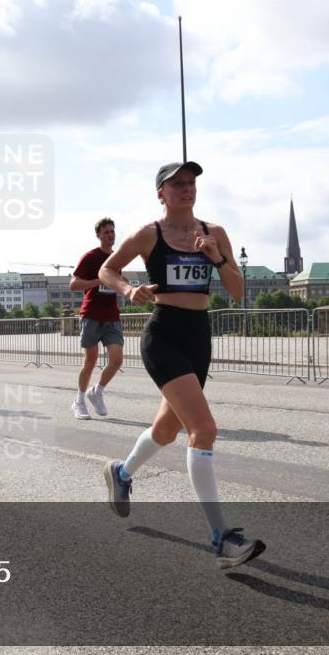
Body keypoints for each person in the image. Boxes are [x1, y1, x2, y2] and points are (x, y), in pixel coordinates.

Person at [98, 161, 265, 569]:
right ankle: (222, 537)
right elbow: (108, 269)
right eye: (177, 185)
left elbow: (238, 289)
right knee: (203, 429)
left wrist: (216, 258)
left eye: (191, 183)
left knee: (166, 429)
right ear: (161, 193)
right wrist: (128, 288)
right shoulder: (148, 234)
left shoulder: (214, 233)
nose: (187, 189)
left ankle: (121, 473)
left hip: (199, 336)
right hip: (164, 335)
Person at [69, 217, 123, 419]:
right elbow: (74, 285)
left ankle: (97, 392)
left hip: (112, 316)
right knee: (90, 361)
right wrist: (98, 280)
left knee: (117, 360)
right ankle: (79, 400)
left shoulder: (117, 258)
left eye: (112, 231)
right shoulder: (90, 257)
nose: (110, 235)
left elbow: (116, 282)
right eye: (106, 232)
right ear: (98, 235)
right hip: (91, 315)